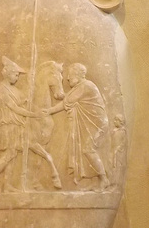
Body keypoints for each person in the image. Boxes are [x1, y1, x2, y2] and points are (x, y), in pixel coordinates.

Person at [45, 63, 109, 191]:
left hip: (96, 124)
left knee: (87, 149)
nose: (67, 78)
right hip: (88, 124)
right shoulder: (80, 87)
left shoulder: (86, 86)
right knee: (84, 150)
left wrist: (50, 110)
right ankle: (92, 181)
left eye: (70, 75)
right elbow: (67, 99)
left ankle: (104, 179)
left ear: (78, 75)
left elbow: (67, 101)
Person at [0, 57, 40, 192]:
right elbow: (15, 108)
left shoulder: (12, 89)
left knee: (12, 155)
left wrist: (31, 81)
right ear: (8, 73)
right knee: (9, 154)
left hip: (16, 125)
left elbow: (24, 98)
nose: (17, 78)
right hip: (7, 125)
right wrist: (32, 114)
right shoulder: (3, 89)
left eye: (18, 75)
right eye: (16, 75)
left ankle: (7, 185)